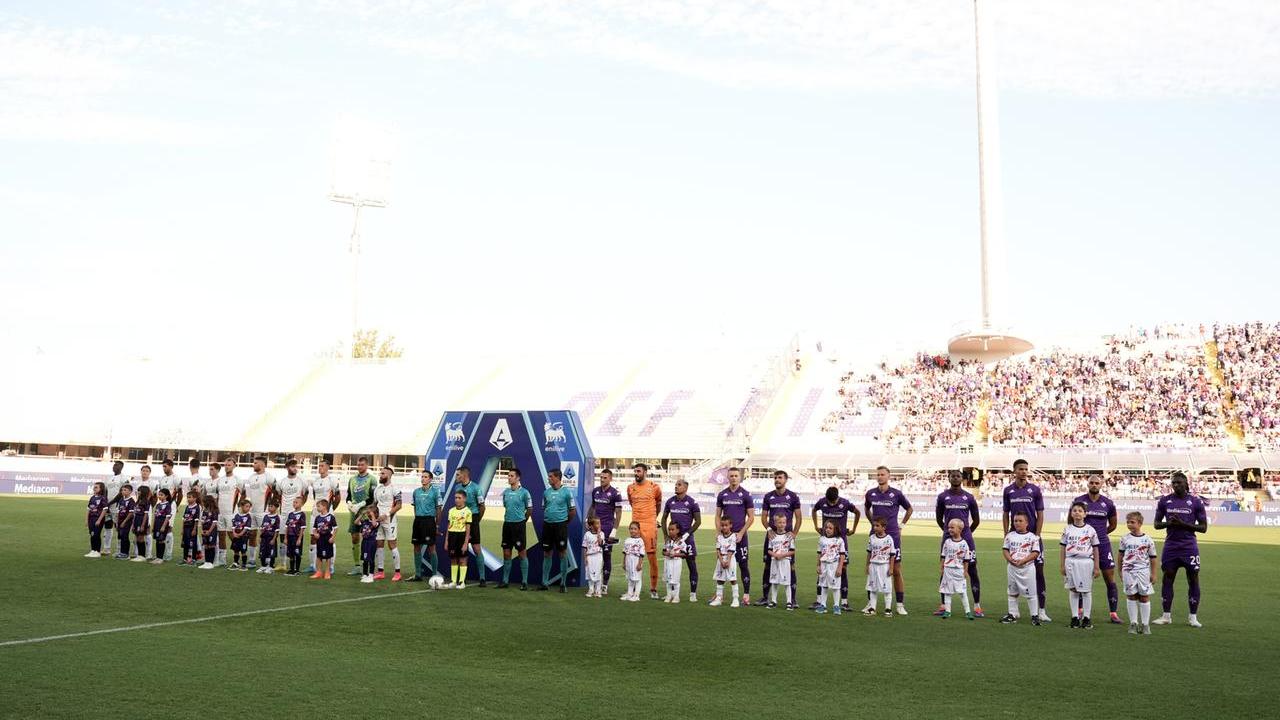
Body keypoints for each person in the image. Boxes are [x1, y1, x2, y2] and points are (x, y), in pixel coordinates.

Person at [1152, 471, 1207, 628]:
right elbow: (1156, 524)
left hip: (1189, 546)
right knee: (1168, 578)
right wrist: (1170, 523)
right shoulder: (1165, 501)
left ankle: (1193, 617)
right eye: (1173, 483)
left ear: (1186, 484)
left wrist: (1182, 524)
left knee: (1193, 579)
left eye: (1179, 483)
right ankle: (1166, 616)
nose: (1175, 485)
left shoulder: (1196, 502)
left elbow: (1203, 528)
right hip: (1171, 546)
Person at [1002, 460, 1050, 622]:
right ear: (1014, 471)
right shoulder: (1008, 490)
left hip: (1033, 538)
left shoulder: (1034, 490)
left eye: (1026, 469)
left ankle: (1041, 610)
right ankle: (1013, 611)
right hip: (1015, 538)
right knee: (1014, 569)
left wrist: (1037, 535)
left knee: (1039, 573)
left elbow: (1040, 514)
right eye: (1020, 469)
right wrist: (1006, 534)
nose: (1024, 472)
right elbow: (1005, 513)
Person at [934, 471, 983, 617]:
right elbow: (939, 518)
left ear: (962, 478)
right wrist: (949, 532)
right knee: (944, 569)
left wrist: (965, 533)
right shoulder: (943, 497)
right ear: (949, 478)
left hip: (966, 539)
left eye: (958, 476)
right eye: (953, 476)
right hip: (948, 540)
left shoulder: (969, 497)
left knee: (972, 570)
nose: (955, 478)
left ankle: (977, 607)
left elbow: (976, 520)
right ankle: (943, 606)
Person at [863, 466, 911, 615]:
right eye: (878, 474)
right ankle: (871, 604)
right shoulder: (870, 493)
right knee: (873, 569)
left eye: (882, 474)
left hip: (893, 536)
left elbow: (909, 509)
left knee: (896, 570)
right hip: (875, 537)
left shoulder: (896, 494)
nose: (880, 477)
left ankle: (899, 604)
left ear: (888, 476)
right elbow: (866, 508)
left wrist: (901, 525)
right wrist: (873, 523)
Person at [1073, 476, 1120, 623]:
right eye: (1091, 483)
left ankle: (1113, 613)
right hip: (1083, 546)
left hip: (1103, 545)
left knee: (1110, 580)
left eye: (1097, 483)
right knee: (1081, 579)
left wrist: (1099, 535)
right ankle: (1080, 610)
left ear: (1101, 485)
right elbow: (1072, 521)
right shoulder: (1079, 501)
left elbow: (1113, 525)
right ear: (1088, 484)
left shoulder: (1108, 503)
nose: (1094, 485)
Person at [757, 470, 802, 609]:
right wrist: (769, 529)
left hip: (786, 538)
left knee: (791, 566)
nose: (777, 480)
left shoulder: (793, 496)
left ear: (786, 480)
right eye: (775, 477)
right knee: (768, 565)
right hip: (772, 537)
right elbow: (764, 517)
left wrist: (794, 533)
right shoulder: (768, 496)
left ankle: (792, 599)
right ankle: (765, 597)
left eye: (780, 478)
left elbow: (799, 517)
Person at [811, 485, 860, 611]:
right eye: (829, 502)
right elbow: (814, 510)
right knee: (822, 569)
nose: (831, 504)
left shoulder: (845, 503)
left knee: (842, 569)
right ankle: (819, 601)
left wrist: (854, 528)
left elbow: (857, 512)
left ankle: (843, 602)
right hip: (825, 541)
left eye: (833, 502)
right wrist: (816, 526)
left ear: (837, 497)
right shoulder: (822, 502)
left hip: (840, 541)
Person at [714, 467, 754, 605]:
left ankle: (746, 595)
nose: (733, 478)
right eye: (731, 476)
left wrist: (742, 533)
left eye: (736, 475)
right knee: (722, 564)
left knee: (743, 565)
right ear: (727, 477)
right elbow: (718, 515)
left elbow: (751, 517)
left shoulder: (746, 495)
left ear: (740, 477)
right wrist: (719, 532)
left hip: (740, 536)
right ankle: (719, 596)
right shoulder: (722, 494)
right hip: (725, 537)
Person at [1060, 501, 1101, 629]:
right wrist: (1062, 565)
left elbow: (1095, 548)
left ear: (1085, 514)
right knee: (1073, 590)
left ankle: (1087, 618)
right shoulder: (1067, 529)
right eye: (1075, 510)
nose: (1077, 512)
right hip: (1070, 562)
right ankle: (1075, 618)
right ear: (1071, 513)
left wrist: (1096, 566)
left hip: (1086, 562)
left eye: (1080, 510)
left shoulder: (1090, 530)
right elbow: (1062, 548)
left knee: (1086, 591)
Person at [660, 479, 701, 602]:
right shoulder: (670, 501)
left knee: (691, 565)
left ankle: (693, 594)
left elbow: (698, 521)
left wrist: (687, 534)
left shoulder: (692, 502)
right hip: (673, 539)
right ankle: (671, 593)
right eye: (676, 485)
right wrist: (666, 535)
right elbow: (663, 519)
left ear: (686, 488)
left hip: (687, 539)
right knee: (670, 565)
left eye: (679, 485)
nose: (676, 486)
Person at [626, 463, 662, 599]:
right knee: (633, 556)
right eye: (635, 471)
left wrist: (652, 519)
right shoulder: (630, 488)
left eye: (639, 471)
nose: (636, 473)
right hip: (635, 525)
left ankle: (653, 588)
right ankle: (633, 588)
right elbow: (631, 503)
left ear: (645, 472)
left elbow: (658, 504)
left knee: (651, 557)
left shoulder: (654, 487)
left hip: (649, 526)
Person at [1118, 511, 1158, 635]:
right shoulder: (1125, 539)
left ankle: (1145, 625)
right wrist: (1120, 571)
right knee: (1131, 596)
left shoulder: (1148, 540)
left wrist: (1154, 574)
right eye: (1128, 522)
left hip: (1143, 572)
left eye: (1132, 522)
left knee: (1144, 596)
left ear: (1140, 523)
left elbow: (1153, 558)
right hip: (1128, 572)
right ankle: (1133, 623)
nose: (1129, 524)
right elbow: (1120, 555)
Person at [1000, 513, 1043, 626]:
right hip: (1012, 568)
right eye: (1015, 521)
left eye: (1020, 521)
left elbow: (1035, 552)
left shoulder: (1033, 537)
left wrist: (1024, 561)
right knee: (1012, 592)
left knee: (1031, 593)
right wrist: (1010, 559)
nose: (1017, 523)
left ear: (1027, 523)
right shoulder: (1009, 536)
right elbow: (1005, 550)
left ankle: (1034, 616)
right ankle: (1012, 614)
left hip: (1027, 568)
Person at [538, 469, 577, 592]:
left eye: (550, 476)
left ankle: (563, 584)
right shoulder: (546, 492)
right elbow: (544, 508)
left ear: (557, 478)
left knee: (562, 553)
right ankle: (544, 583)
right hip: (547, 526)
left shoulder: (567, 492)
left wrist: (564, 522)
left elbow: (572, 511)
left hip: (561, 527)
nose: (548, 478)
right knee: (547, 553)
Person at [588, 468, 624, 595]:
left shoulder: (615, 493)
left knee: (606, 556)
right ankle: (594, 583)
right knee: (593, 555)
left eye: (605, 478)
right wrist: (589, 520)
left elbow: (619, 512)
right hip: (595, 528)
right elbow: (593, 506)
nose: (602, 480)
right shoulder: (595, 491)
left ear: (610, 478)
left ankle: (605, 584)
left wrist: (614, 529)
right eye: (601, 477)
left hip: (608, 528)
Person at [453, 466, 488, 586]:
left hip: (472, 519)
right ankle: (462, 578)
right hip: (460, 521)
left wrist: (476, 520)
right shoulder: (457, 488)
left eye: (458, 475)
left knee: (477, 548)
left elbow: (482, 507)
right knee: (463, 549)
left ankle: (482, 578)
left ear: (464, 475)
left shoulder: (476, 488)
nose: (456, 477)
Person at [498, 468, 532, 589]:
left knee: (522, 553)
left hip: (519, 526)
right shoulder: (506, 492)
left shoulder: (525, 492)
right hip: (507, 524)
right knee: (506, 553)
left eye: (511, 476)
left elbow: (529, 509)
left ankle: (524, 582)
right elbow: (505, 505)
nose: (509, 478)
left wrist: (523, 521)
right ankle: (505, 581)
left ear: (518, 478)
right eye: (508, 475)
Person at [345, 457, 379, 576]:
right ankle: (357, 566)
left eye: (362, 465)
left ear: (367, 465)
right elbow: (348, 495)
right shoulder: (352, 479)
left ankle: (370, 564)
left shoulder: (372, 479)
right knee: (354, 537)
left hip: (366, 512)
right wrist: (350, 504)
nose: (359, 467)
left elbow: (372, 497)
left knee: (368, 538)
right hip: (354, 512)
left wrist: (360, 505)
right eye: (358, 465)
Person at [239, 456, 275, 568]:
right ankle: (252, 560)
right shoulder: (251, 477)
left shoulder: (269, 477)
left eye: (255, 463)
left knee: (266, 536)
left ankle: (267, 560)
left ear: (262, 464)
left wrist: (271, 508)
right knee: (252, 535)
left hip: (263, 512)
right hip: (252, 511)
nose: (253, 465)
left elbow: (276, 493)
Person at [409, 469, 442, 583]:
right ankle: (418, 574)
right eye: (422, 477)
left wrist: (437, 525)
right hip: (418, 521)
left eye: (426, 477)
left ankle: (434, 575)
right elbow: (414, 507)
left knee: (431, 548)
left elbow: (438, 509)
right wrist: (417, 518)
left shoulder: (436, 492)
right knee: (416, 547)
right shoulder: (416, 491)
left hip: (429, 522)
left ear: (431, 479)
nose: (423, 479)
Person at [308, 460, 341, 573]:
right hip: (315, 513)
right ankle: (313, 565)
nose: (320, 467)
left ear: (327, 467)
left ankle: (331, 566)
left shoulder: (332, 481)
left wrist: (330, 510)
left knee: (329, 539)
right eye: (319, 466)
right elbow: (315, 496)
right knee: (313, 538)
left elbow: (338, 498)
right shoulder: (315, 481)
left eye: (322, 466)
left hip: (327, 514)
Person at [939, 519, 974, 619]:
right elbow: (943, 555)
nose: (949, 529)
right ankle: (947, 611)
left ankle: (968, 612)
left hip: (959, 571)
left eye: (952, 527)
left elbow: (966, 559)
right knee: (947, 591)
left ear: (960, 529)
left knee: (962, 592)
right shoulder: (947, 542)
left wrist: (965, 571)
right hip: (948, 570)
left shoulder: (964, 544)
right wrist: (941, 567)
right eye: (949, 527)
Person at [372, 466, 403, 581]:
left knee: (392, 545)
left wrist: (386, 515)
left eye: (383, 474)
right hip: (379, 521)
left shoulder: (395, 489)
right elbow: (374, 505)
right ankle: (380, 571)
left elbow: (399, 505)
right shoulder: (378, 489)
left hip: (390, 521)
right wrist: (372, 516)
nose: (380, 475)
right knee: (379, 544)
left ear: (389, 475)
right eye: (380, 473)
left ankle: (398, 572)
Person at [275, 459, 309, 560]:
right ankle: (283, 563)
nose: (295, 468)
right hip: (284, 513)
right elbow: (278, 495)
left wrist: (300, 505)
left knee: (295, 537)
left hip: (296, 515)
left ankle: (294, 560)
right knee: (282, 537)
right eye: (292, 466)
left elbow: (306, 494)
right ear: (287, 467)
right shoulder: (281, 482)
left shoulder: (302, 481)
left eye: (295, 466)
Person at [864, 517, 896, 617]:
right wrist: (867, 565)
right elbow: (869, 552)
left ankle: (888, 609)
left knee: (887, 589)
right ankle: (872, 608)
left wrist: (891, 568)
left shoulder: (889, 539)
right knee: (873, 588)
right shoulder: (872, 538)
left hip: (884, 566)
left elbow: (892, 555)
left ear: (884, 527)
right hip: (873, 566)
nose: (875, 527)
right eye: (874, 525)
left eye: (877, 526)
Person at [214, 457, 242, 567]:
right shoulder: (220, 480)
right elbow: (217, 495)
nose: (227, 467)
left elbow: (242, 494)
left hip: (231, 513)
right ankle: (222, 560)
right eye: (225, 465)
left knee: (232, 535)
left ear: (234, 466)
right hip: (221, 512)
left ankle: (237, 559)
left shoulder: (237, 480)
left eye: (229, 465)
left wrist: (237, 508)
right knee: (221, 535)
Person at [815, 520, 846, 615]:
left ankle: (836, 606)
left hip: (834, 565)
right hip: (824, 565)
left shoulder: (839, 540)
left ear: (835, 529)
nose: (827, 530)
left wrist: (840, 568)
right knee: (824, 585)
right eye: (826, 527)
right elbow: (819, 553)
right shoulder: (822, 539)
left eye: (830, 528)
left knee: (836, 587)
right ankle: (823, 605)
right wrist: (818, 565)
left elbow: (842, 555)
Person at [765, 514, 796, 609]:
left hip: (785, 562)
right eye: (779, 522)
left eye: (783, 522)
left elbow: (792, 551)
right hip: (775, 561)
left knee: (787, 582)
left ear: (786, 523)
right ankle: (773, 601)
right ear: (775, 523)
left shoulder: (789, 536)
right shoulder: (772, 536)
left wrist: (782, 555)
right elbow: (769, 550)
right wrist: (775, 555)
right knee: (774, 581)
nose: (782, 524)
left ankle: (789, 602)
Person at [709, 517, 741, 608]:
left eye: (726, 525)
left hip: (730, 559)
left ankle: (735, 599)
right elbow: (718, 550)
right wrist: (721, 560)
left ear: (730, 525)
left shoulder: (733, 536)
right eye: (722, 525)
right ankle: (719, 598)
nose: (724, 527)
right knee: (719, 579)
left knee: (733, 579)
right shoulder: (719, 537)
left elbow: (731, 549)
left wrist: (727, 561)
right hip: (721, 559)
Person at [445, 490, 472, 589]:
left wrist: (466, 543)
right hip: (452, 536)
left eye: (459, 498)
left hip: (462, 536)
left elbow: (468, 528)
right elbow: (449, 525)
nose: (457, 500)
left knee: (462, 559)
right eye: (456, 498)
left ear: (464, 499)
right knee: (453, 559)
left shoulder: (468, 511)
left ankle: (462, 582)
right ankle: (453, 581)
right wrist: (447, 540)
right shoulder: (451, 511)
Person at [154, 460, 180, 561]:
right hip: (162, 505)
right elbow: (160, 492)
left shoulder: (176, 478)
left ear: (171, 466)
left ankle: (168, 554)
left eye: (165, 466)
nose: (164, 468)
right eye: (163, 467)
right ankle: (161, 554)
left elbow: (180, 493)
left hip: (171, 505)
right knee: (160, 528)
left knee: (168, 527)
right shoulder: (162, 479)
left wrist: (175, 505)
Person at [102, 460, 127, 557]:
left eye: (116, 465)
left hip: (118, 507)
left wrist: (110, 503)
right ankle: (106, 548)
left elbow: (123, 493)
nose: (114, 466)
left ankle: (119, 550)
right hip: (108, 507)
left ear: (121, 467)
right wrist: (106, 504)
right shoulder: (109, 478)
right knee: (108, 527)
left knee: (119, 528)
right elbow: (105, 492)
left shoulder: (124, 479)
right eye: (114, 465)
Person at [661, 521, 688, 603]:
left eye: (673, 529)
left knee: (675, 580)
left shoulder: (681, 542)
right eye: (669, 530)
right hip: (668, 562)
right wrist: (667, 553)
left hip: (676, 563)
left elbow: (684, 554)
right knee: (668, 580)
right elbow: (663, 551)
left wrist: (675, 555)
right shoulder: (668, 541)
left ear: (678, 530)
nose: (670, 531)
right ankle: (669, 595)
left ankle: (676, 596)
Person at [311, 499, 337, 580]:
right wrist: (315, 534)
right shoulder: (317, 518)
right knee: (319, 556)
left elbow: (336, 528)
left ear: (325, 507)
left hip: (328, 539)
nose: (317, 508)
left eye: (319, 506)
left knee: (328, 557)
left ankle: (327, 572)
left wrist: (333, 537)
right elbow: (314, 528)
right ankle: (318, 572)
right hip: (320, 540)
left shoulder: (331, 517)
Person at [620, 521, 645, 602]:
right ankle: (630, 594)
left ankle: (636, 595)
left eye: (635, 529)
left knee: (637, 579)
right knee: (630, 578)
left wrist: (639, 564)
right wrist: (623, 562)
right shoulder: (627, 540)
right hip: (628, 561)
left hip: (636, 561)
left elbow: (641, 554)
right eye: (631, 529)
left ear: (638, 530)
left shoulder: (640, 541)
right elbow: (625, 552)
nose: (633, 530)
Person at [133, 465, 154, 559]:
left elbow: (155, 497)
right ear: (140, 472)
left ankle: (149, 553)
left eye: (147, 471)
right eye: (143, 470)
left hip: (147, 508)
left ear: (149, 473)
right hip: (139, 508)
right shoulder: (138, 484)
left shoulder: (152, 483)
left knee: (147, 530)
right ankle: (137, 552)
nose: (145, 472)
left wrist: (149, 506)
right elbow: (137, 497)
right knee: (137, 530)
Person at [582, 516, 605, 597]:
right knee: (590, 572)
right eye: (597, 523)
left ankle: (598, 590)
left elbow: (601, 543)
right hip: (590, 556)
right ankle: (591, 589)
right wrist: (585, 558)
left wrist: (598, 534)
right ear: (591, 526)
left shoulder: (602, 534)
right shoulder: (587, 534)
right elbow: (584, 547)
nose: (599, 525)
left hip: (598, 555)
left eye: (599, 523)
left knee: (598, 572)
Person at [357, 504, 380, 584]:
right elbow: (356, 522)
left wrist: (373, 515)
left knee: (371, 559)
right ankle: (365, 574)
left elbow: (374, 524)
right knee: (365, 559)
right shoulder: (365, 521)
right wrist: (362, 514)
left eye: (370, 512)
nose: (369, 514)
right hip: (365, 542)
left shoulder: (376, 522)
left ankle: (371, 575)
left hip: (372, 542)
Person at [151, 488, 174, 566]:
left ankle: (161, 558)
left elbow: (167, 517)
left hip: (162, 524)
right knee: (157, 540)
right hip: (157, 524)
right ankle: (157, 557)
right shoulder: (158, 505)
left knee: (161, 540)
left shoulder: (168, 505)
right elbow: (155, 515)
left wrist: (163, 526)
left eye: (161, 495)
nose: (159, 496)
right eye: (159, 494)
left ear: (166, 496)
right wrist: (153, 525)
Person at [284, 496, 307, 576]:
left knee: (297, 553)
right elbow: (287, 526)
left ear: (301, 504)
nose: (294, 503)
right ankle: (291, 569)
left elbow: (302, 528)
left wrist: (299, 539)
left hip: (297, 537)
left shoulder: (302, 514)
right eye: (294, 502)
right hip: (290, 537)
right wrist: (286, 538)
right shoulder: (290, 514)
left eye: (296, 502)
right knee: (291, 553)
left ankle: (297, 570)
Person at [85, 481, 109, 558]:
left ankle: (97, 551)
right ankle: (93, 550)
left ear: (101, 489)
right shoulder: (92, 498)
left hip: (98, 519)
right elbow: (88, 509)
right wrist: (86, 520)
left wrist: (99, 520)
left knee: (96, 534)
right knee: (92, 534)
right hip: (91, 519)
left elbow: (105, 510)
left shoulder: (103, 498)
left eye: (96, 487)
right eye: (94, 487)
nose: (94, 488)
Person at [258, 499, 282, 575]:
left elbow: (276, 530)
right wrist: (259, 537)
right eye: (269, 506)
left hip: (271, 538)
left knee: (271, 552)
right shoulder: (265, 516)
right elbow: (262, 527)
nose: (269, 507)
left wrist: (274, 539)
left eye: (271, 506)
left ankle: (271, 566)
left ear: (276, 508)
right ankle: (263, 566)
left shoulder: (276, 518)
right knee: (262, 552)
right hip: (264, 538)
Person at [131, 484, 153, 563]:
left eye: (139, 491)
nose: (138, 492)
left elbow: (146, 514)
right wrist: (133, 524)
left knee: (141, 538)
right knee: (137, 538)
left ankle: (142, 556)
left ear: (143, 492)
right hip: (136, 521)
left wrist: (143, 525)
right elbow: (135, 514)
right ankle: (139, 555)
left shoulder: (146, 502)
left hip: (142, 522)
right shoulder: (138, 501)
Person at [229, 499, 254, 570]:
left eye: (249, 507)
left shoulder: (248, 517)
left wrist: (240, 534)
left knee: (243, 551)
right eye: (247, 506)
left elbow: (246, 528)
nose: (248, 508)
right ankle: (235, 563)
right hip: (236, 536)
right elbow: (233, 526)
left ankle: (244, 565)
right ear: (242, 507)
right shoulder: (236, 515)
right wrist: (234, 533)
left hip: (243, 537)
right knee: (236, 550)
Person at [113, 484, 136, 559]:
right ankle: (121, 552)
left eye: (125, 490)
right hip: (120, 521)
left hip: (126, 522)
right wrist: (116, 522)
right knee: (120, 536)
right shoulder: (121, 500)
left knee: (125, 536)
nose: (123, 491)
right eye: (122, 490)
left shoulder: (131, 501)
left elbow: (131, 513)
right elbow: (118, 511)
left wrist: (124, 522)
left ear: (130, 491)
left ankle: (126, 554)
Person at [180, 490, 202, 565]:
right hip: (186, 528)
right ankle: (185, 559)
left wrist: (194, 529)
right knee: (185, 544)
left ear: (195, 498)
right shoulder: (187, 507)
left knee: (193, 544)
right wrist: (182, 529)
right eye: (187, 497)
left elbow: (196, 520)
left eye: (190, 497)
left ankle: (194, 559)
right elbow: (184, 518)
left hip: (191, 528)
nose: (188, 499)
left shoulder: (197, 507)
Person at [199, 495, 219, 570]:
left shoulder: (214, 511)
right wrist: (202, 530)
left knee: (211, 546)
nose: (203, 503)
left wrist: (209, 531)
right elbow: (202, 521)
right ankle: (206, 562)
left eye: (204, 502)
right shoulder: (204, 511)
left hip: (211, 531)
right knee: (206, 546)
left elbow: (214, 523)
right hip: (205, 531)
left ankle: (211, 563)